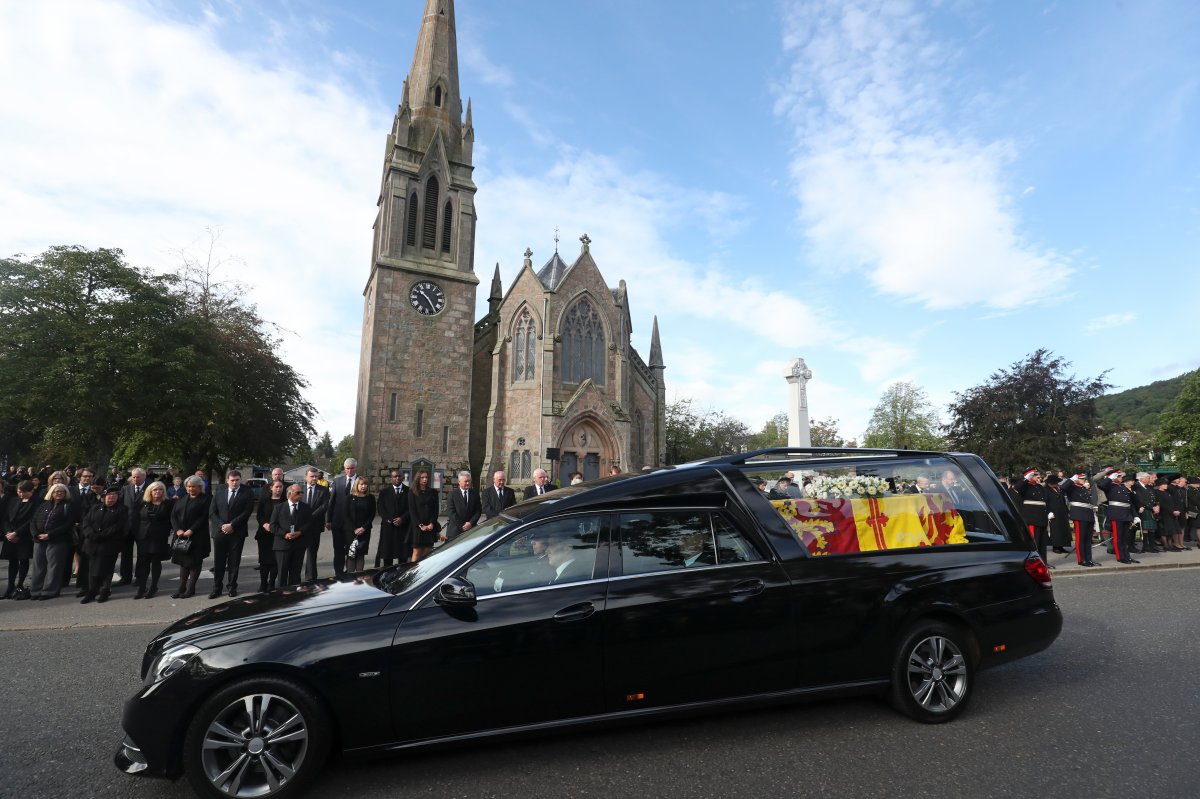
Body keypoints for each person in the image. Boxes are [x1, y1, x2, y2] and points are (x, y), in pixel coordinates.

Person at [208, 469, 254, 598]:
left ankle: (232, 587)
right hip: (220, 532)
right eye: (232, 480)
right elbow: (212, 511)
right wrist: (222, 525)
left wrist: (232, 525)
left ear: (240, 480)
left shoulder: (247, 493)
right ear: (227, 480)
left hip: (237, 532)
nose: (234, 483)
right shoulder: (219, 491)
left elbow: (247, 512)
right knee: (219, 562)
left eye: (237, 480)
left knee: (234, 562)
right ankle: (217, 588)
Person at [80, 485, 129, 603]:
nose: (111, 498)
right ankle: (92, 590)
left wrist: (102, 535)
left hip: (109, 543)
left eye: (114, 496)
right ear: (103, 497)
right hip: (92, 543)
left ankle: (105, 590)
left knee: (107, 568)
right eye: (108, 496)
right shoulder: (95, 508)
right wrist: (91, 534)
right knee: (92, 568)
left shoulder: (122, 509)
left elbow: (118, 526)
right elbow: (86, 522)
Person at [30, 483, 77, 599]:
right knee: (38, 566)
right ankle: (35, 591)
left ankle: (49, 591)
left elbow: (68, 524)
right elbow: (33, 521)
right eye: (57, 491)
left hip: (58, 541)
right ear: (51, 493)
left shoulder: (69, 506)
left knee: (54, 567)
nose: (59, 493)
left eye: (62, 491)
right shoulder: (43, 505)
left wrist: (50, 534)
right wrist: (36, 534)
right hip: (39, 540)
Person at [170, 476, 211, 598]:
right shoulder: (182, 499)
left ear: (200, 487)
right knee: (183, 563)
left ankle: (190, 589)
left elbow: (204, 517)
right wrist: (177, 529)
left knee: (195, 563)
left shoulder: (206, 499)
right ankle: (181, 588)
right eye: (188, 486)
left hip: (197, 536)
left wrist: (191, 530)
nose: (190, 488)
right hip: (182, 536)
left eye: (193, 486)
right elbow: (173, 516)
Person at [133, 481, 172, 599]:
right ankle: (142, 587)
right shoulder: (143, 502)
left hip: (159, 537)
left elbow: (171, 520)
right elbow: (135, 518)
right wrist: (137, 533)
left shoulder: (168, 504)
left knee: (155, 562)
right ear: (150, 491)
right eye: (155, 490)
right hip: (143, 537)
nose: (157, 492)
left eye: (160, 490)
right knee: (143, 563)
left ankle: (153, 587)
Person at [2, 480, 37, 599]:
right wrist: (8, 533)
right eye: (19, 492)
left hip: (24, 536)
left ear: (31, 490)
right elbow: (6, 518)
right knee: (12, 561)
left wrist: (17, 533)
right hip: (10, 535)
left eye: (23, 492)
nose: (21, 495)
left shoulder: (36, 502)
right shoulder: (13, 501)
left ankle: (20, 585)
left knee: (23, 560)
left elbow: (31, 521)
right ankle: (10, 587)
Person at [326, 458, 360, 579]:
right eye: (347, 468)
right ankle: (339, 573)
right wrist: (328, 520)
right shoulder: (337, 481)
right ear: (344, 468)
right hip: (338, 522)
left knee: (352, 549)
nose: (349, 471)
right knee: (338, 549)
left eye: (352, 468)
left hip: (354, 523)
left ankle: (350, 572)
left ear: (356, 468)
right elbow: (332, 502)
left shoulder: (361, 481)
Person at [270, 483, 310, 587]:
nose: (300, 495)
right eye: (298, 493)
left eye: (302, 492)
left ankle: (294, 597)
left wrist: (300, 532)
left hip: (299, 545)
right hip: (282, 545)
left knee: (295, 574)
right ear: (289, 494)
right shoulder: (279, 508)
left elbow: (309, 524)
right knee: (282, 573)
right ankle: (282, 598)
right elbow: (273, 526)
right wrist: (284, 534)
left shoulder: (305, 507)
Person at [1096, 468, 1138, 564]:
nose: (1121, 478)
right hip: (1116, 515)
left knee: (1125, 538)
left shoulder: (1123, 487)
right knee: (1118, 537)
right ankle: (1121, 557)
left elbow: (1129, 503)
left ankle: (1127, 556)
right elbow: (1101, 485)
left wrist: (1135, 516)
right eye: (1119, 476)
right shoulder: (1110, 486)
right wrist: (1110, 478)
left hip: (1126, 515)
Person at [117, 467, 148, 586]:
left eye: (138, 477)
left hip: (142, 527)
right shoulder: (126, 488)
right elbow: (120, 504)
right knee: (126, 554)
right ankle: (125, 577)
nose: (135, 479)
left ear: (144, 477)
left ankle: (140, 577)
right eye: (133, 477)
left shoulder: (149, 489)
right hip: (127, 527)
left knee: (142, 554)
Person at [1014, 468, 1052, 565]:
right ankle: (1034, 564)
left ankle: (1043, 563)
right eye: (1036, 475)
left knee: (1042, 544)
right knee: (1034, 543)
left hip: (1042, 518)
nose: (1039, 477)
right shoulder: (1025, 486)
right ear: (1030, 476)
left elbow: (1045, 501)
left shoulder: (1039, 487)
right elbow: (1017, 487)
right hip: (1032, 519)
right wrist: (1026, 479)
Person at [255, 480, 287, 591]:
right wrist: (264, 524)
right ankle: (263, 583)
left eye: (281, 487)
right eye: (276, 487)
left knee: (275, 561)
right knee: (264, 561)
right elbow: (259, 515)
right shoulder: (264, 500)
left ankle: (272, 583)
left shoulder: (285, 501)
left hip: (278, 535)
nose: (279, 489)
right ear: (271, 488)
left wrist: (277, 528)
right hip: (264, 534)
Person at [301, 468, 330, 580]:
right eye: (312, 476)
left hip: (315, 526)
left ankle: (311, 578)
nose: (314, 478)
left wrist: (310, 516)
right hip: (300, 526)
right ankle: (295, 579)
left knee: (312, 554)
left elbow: (324, 506)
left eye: (316, 476)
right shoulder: (300, 490)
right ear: (305, 477)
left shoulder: (323, 490)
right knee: (298, 553)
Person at [1062, 473, 1097, 567]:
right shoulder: (1072, 487)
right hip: (1079, 515)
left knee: (1088, 539)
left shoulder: (1083, 488)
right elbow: (1062, 488)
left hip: (1088, 515)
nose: (1084, 480)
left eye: (1084, 479)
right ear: (1076, 479)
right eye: (1081, 479)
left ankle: (1088, 559)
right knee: (1080, 539)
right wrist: (1071, 479)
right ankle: (1082, 560)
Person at [376, 470, 409, 567]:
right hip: (388, 528)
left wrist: (402, 519)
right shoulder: (384, 492)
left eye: (399, 476)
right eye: (395, 476)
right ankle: (387, 575)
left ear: (402, 477)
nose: (397, 478)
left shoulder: (408, 491)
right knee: (387, 556)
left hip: (403, 527)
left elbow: (411, 508)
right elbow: (381, 508)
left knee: (403, 557)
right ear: (391, 478)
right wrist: (390, 519)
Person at [407, 469, 440, 562]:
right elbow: (412, 511)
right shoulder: (412, 492)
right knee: (417, 552)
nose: (425, 479)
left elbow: (435, 510)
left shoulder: (433, 492)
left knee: (427, 552)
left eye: (426, 477)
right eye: (422, 477)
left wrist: (432, 523)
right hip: (418, 527)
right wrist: (420, 525)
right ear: (418, 478)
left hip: (430, 526)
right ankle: (413, 573)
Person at [346, 479, 376, 572]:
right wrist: (354, 529)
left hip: (365, 531)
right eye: (361, 484)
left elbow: (372, 514)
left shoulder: (370, 498)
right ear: (356, 485)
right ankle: (350, 579)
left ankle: (359, 578)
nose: (364, 486)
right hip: (351, 531)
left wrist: (363, 528)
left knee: (360, 554)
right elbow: (345, 515)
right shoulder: (349, 498)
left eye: (366, 484)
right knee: (351, 554)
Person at [445, 471, 481, 542]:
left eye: (469, 481)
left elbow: (478, 511)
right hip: (455, 531)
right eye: (465, 481)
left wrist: (470, 523)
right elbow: (451, 512)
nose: (468, 483)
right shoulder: (452, 495)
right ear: (459, 482)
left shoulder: (475, 494)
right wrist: (463, 525)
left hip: (471, 529)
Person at [1046, 475, 1072, 556]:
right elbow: (1046, 502)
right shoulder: (1046, 490)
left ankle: (1061, 546)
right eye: (1055, 482)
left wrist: (1067, 511)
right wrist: (1048, 512)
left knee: (1063, 528)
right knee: (1056, 529)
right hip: (1053, 512)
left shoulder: (1058, 489)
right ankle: (1056, 546)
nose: (1057, 484)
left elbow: (1063, 500)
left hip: (1062, 511)